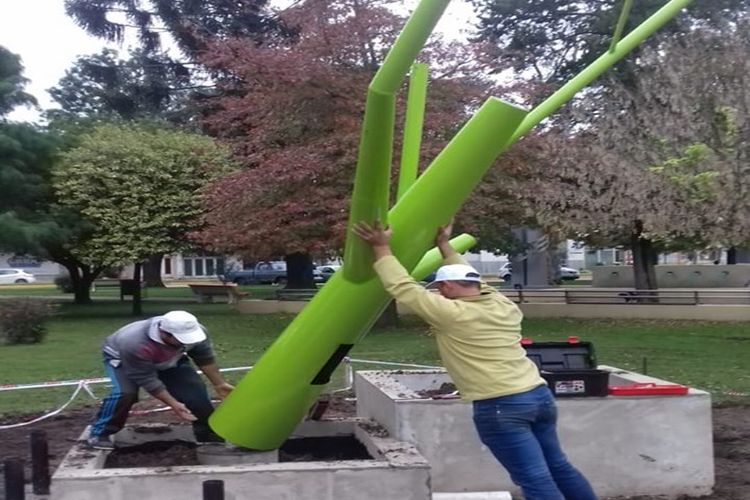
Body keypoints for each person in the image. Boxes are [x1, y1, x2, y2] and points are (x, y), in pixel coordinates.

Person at [352, 221, 597, 500]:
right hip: (538, 396)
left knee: (534, 478)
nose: (439, 293)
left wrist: (381, 247)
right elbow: (469, 277)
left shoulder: (452, 314)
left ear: (447, 285)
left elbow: (403, 287)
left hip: (500, 404)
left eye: (440, 288)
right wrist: (445, 245)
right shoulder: (502, 304)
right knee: (559, 466)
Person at [86, 310, 234, 449]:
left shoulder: (196, 331)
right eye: (181, 339)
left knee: (195, 393)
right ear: (165, 334)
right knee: (126, 394)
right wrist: (174, 404)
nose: (186, 342)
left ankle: (206, 433)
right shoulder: (134, 342)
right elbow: (147, 379)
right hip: (124, 360)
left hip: (169, 358)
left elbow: (204, 357)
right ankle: (100, 432)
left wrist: (219, 384)